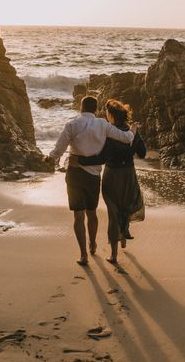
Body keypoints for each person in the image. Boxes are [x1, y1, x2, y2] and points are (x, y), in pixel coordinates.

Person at [47, 96, 135, 266]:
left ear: (81, 108)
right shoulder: (103, 124)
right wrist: (132, 131)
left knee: (78, 216)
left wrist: (49, 157)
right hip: (93, 176)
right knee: (91, 213)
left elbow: (59, 149)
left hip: (74, 173)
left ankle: (83, 255)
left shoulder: (72, 124)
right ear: (95, 110)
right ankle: (93, 243)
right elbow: (125, 137)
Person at [77, 99, 146, 264]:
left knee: (113, 213)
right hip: (128, 175)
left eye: (107, 114)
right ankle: (123, 234)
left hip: (112, 176)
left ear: (112, 115)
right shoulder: (132, 132)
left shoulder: (109, 133)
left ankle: (114, 254)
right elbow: (142, 153)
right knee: (126, 206)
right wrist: (135, 138)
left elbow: (101, 157)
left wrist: (82, 160)